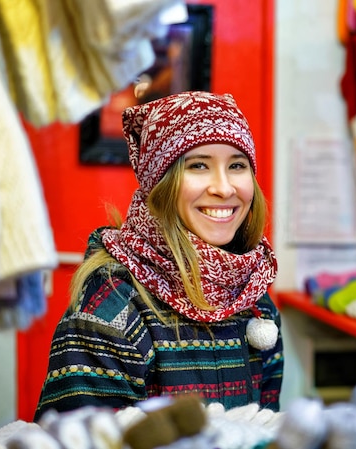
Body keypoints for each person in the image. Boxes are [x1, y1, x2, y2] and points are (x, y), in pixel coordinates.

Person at [34, 91, 283, 421]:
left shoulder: (256, 304)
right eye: (198, 165)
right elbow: (77, 439)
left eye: (237, 165)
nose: (224, 188)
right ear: (159, 185)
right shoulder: (113, 309)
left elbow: (265, 431)